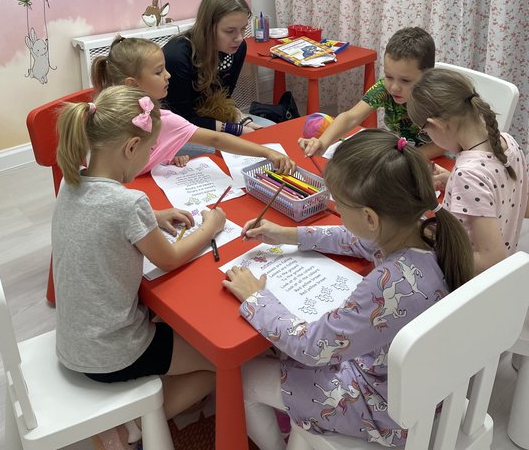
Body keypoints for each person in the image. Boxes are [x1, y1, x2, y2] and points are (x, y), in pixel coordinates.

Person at [223, 129, 473, 450]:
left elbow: (311, 346)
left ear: (370, 217)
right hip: (424, 387)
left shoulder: (389, 284)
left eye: (340, 206)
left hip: (388, 410)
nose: (338, 212)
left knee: (245, 376)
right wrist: (288, 235)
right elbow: (355, 239)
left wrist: (257, 298)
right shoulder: (426, 229)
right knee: (282, 347)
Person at [52, 85, 227, 431]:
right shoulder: (129, 204)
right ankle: (133, 427)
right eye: (150, 150)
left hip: (74, 343)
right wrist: (211, 227)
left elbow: (104, 219)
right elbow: (171, 258)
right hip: (114, 353)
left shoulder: (70, 182)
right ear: (132, 147)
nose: (151, 156)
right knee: (219, 363)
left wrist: (154, 217)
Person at [91, 36, 297, 177]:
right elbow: (216, 139)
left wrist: (164, 158)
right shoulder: (141, 119)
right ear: (132, 84)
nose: (168, 75)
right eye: (158, 72)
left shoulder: (146, 116)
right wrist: (267, 153)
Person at [407, 67, 529, 273]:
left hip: (472, 282)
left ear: (436, 125)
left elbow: (492, 260)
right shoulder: (508, 142)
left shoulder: (468, 175)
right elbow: (519, 203)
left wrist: (432, 242)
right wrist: (453, 183)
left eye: (425, 132)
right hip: (504, 272)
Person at [299, 26, 441, 160]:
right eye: (389, 76)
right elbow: (350, 117)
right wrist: (323, 143)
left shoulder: (437, 98)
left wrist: (408, 158)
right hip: (402, 153)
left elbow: (442, 145)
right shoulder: (384, 89)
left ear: (427, 76)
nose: (394, 87)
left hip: (435, 160)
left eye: (405, 80)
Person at [163, 0, 260, 136]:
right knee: (244, 144)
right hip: (177, 131)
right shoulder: (177, 56)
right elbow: (181, 120)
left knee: (271, 130)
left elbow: (222, 99)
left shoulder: (238, 48)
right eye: (230, 31)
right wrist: (233, 129)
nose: (240, 38)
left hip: (210, 121)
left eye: (243, 29)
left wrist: (241, 119)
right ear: (208, 27)